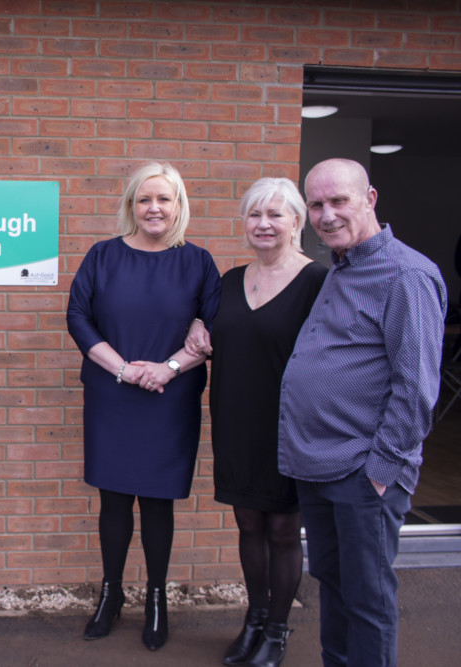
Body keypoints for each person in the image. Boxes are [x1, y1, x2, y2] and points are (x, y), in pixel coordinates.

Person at [278, 158, 447, 667]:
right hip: (318, 465)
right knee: (333, 585)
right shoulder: (341, 266)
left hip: (361, 472)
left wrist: (379, 472)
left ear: (369, 199)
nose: (327, 215)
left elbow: (416, 388)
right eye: (317, 204)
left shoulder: (407, 275)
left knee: (367, 600)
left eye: (339, 201)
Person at [66, 161, 220, 651]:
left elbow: (213, 328)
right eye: (144, 199)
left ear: (178, 205)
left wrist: (167, 368)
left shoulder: (198, 261)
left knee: (157, 501)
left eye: (164, 199)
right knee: (113, 499)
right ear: (131, 205)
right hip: (113, 394)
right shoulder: (102, 256)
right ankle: (111, 595)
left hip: (169, 399)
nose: (154, 208)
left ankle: (156, 598)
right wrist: (125, 369)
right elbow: (78, 317)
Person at [186, 178, 328, 666]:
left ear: (296, 221)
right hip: (236, 417)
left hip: (292, 424)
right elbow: (204, 329)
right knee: (247, 521)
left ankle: (278, 630)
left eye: (275, 214)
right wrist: (197, 325)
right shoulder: (228, 280)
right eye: (254, 215)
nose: (263, 224)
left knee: (285, 528)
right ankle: (254, 618)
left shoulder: (319, 281)